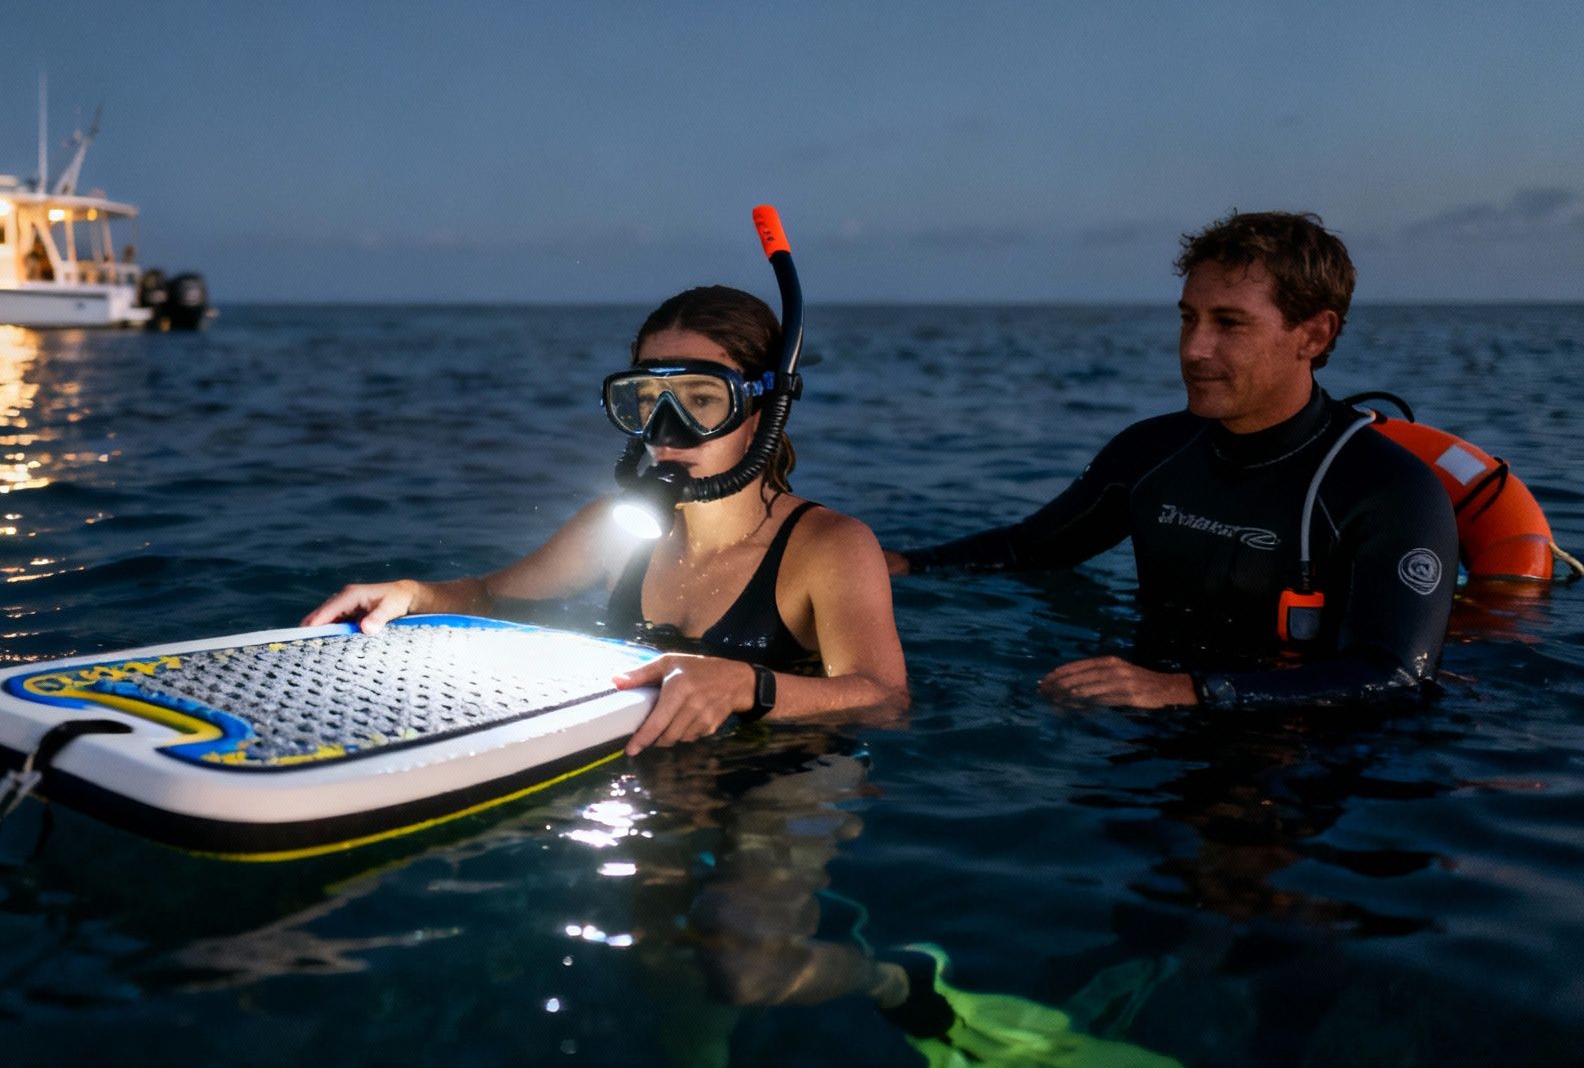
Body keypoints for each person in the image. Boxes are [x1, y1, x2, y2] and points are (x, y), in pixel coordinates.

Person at [886, 211, 1456, 711]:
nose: (1193, 349)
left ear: (1313, 334)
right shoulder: (1152, 452)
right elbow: (1028, 548)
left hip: (1308, 754)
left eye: (1228, 324)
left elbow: (1396, 675)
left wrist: (1187, 692)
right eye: (1188, 318)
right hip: (1152, 717)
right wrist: (904, 565)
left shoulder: (1390, 491)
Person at [305, 285, 908, 753]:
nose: (668, 432)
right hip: (649, 753)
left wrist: (749, 685)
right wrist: (412, 593)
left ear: (761, 409)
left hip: (784, 765)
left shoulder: (829, 546)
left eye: (702, 399)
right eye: (647, 400)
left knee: (748, 907)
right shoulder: (616, 530)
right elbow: (492, 594)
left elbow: (883, 698)